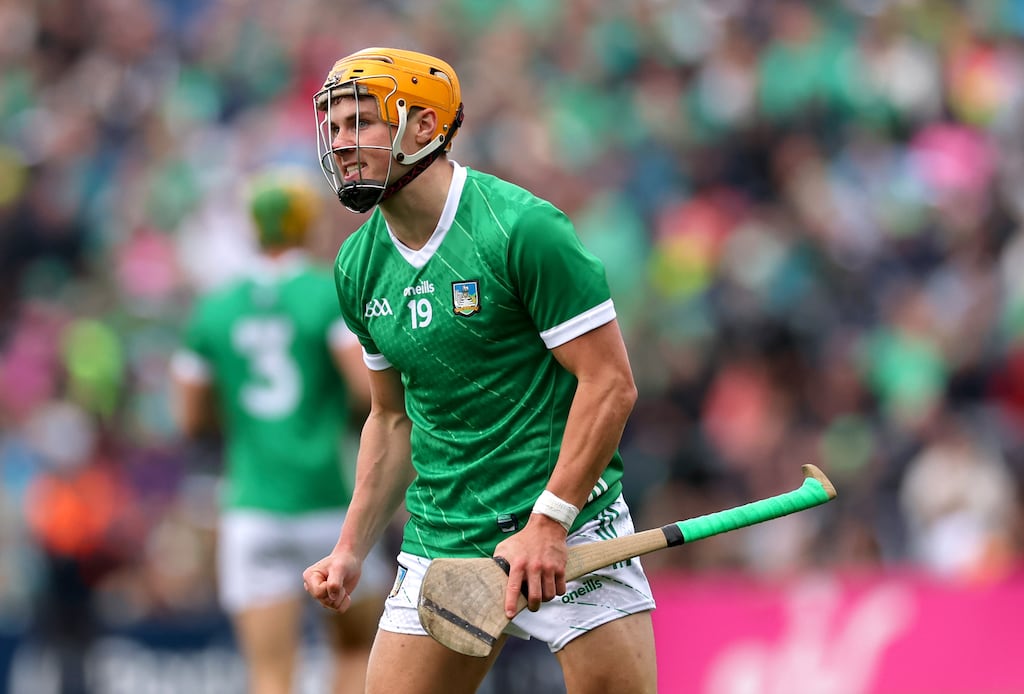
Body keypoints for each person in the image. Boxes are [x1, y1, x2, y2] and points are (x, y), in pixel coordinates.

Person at [302, 47, 658, 693]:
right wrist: (351, 547)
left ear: (424, 127)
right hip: (442, 541)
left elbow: (610, 384)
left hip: (570, 533)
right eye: (334, 126)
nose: (342, 143)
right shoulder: (357, 265)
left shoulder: (523, 229)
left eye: (361, 122)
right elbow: (390, 418)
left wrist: (549, 521)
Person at [169, 167, 390, 694]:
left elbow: (191, 417)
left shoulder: (215, 309)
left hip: (252, 505)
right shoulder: (325, 294)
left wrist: (245, 420)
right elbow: (364, 391)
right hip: (329, 501)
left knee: (269, 672)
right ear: (307, 224)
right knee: (354, 651)